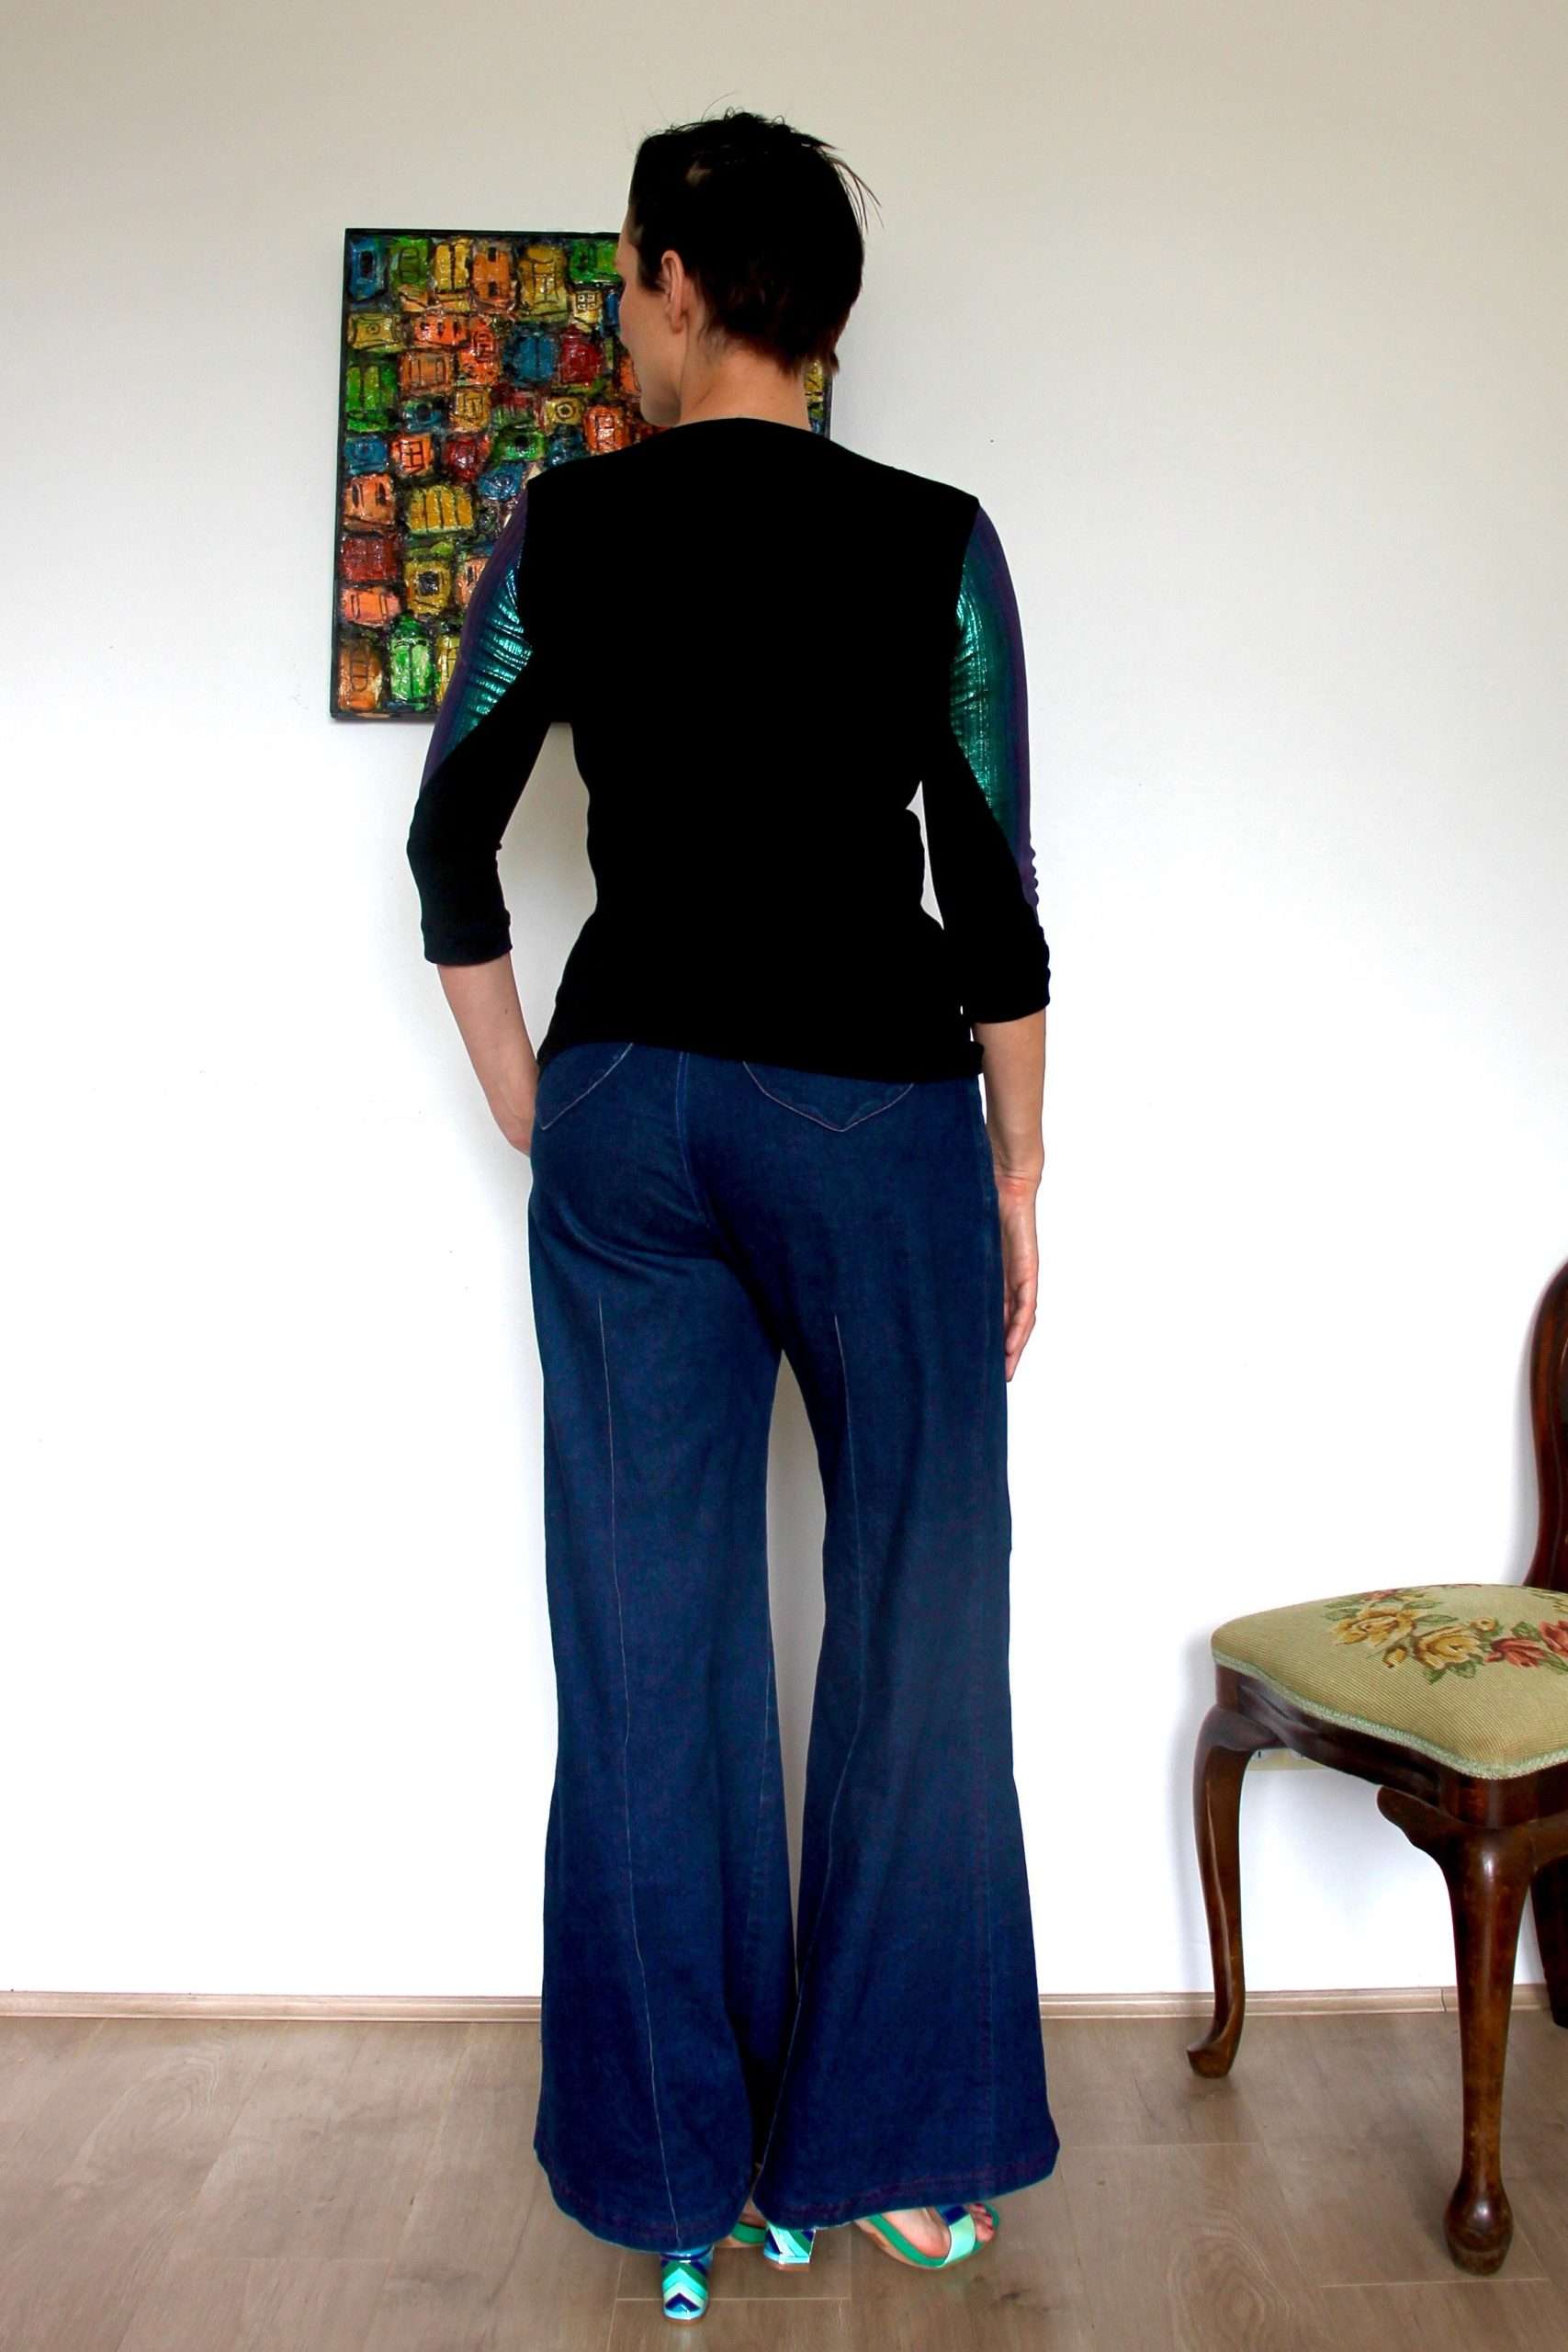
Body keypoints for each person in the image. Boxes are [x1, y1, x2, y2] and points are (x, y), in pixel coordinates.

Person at [406, 107, 1060, 2325]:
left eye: (626, 277)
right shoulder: (932, 541)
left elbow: (451, 841)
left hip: (627, 1112)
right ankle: (886, 2155)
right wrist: (1019, 1165)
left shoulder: (563, 526)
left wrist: (542, 1099)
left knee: (643, 1644)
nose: (620, 313)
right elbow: (992, 889)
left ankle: (676, 2179)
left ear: (683, 285)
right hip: (872, 1111)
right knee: (912, 1617)